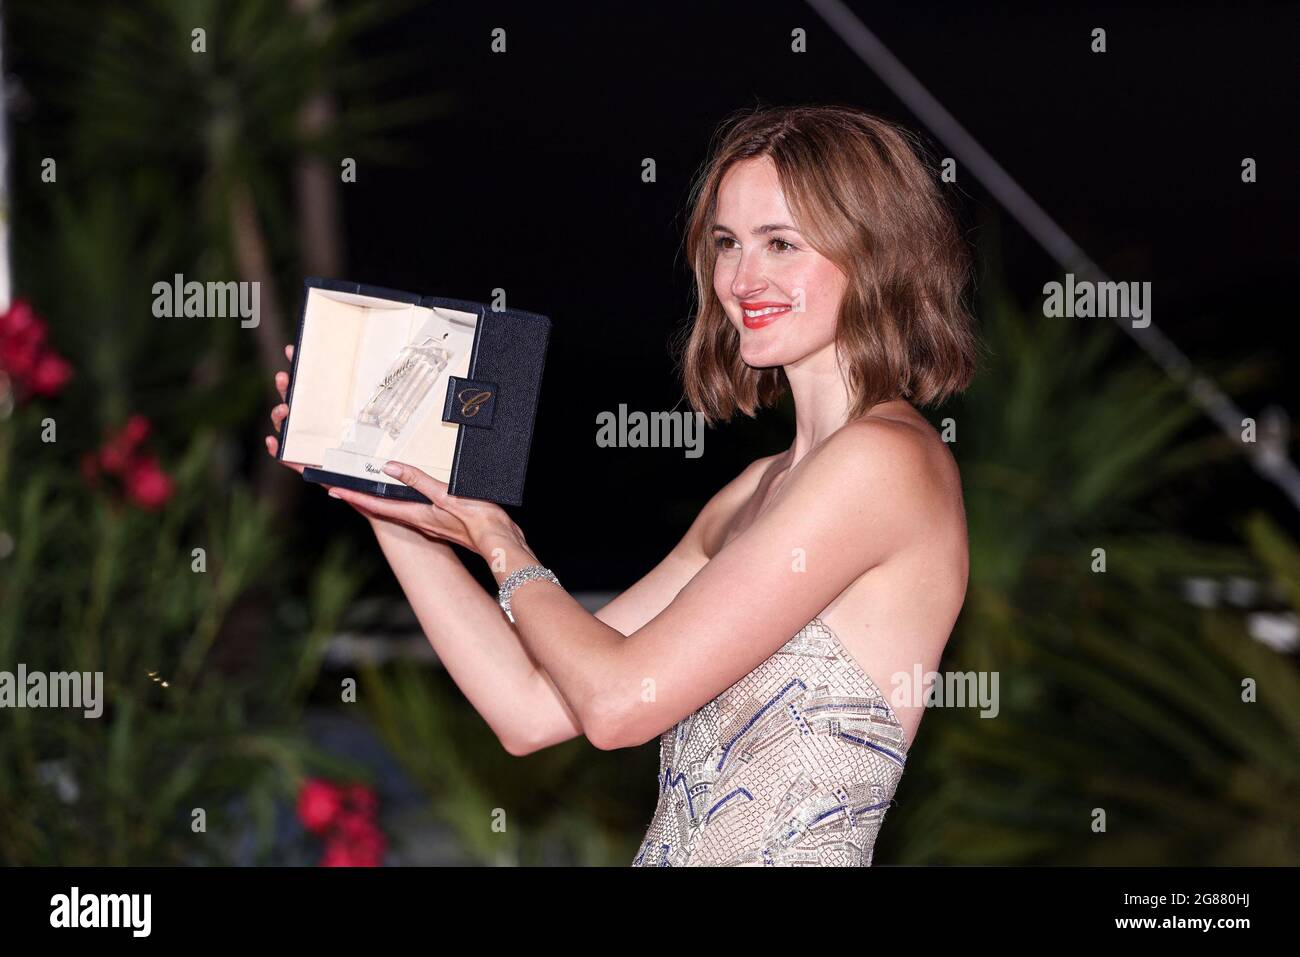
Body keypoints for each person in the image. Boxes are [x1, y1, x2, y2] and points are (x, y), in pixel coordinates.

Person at [265, 104, 975, 866]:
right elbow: (532, 707)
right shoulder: (753, 491)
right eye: (728, 243)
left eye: (781, 244)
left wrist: (503, 544)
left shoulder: (886, 462)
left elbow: (616, 707)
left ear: (875, 254)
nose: (743, 278)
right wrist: (396, 508)